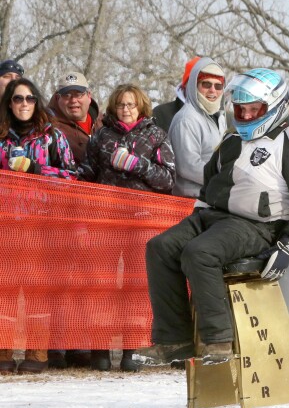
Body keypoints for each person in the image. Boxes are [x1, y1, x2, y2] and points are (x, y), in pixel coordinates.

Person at [136, 68, 289, 367]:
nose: (247, 115)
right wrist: (199, 214)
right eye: (241, 109)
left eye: (255, 109)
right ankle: (173, 340)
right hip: (213, 215)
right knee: (160, 247)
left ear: (274, 106)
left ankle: (218, 341)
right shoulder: (232, 139)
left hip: (259, 224)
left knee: (200, 253)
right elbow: (211, 180)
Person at [80, 84, 176, 371]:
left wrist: (138, 164)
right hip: (105, 218)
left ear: (140, 107)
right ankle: (100, 349)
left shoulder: (156, 135)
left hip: (141, 219)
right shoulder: (101, 135)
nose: (125, 109)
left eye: (131, 105)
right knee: (102, 282)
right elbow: (89, 173)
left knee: (136, 283)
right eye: (121, 104)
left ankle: (131, 349)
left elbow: (168, 179)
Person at [0, 78, 78, 373]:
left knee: (37, 288)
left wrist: (36, 169)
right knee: (5, 288)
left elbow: (72, 177)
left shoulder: (52, 136)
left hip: (42, 222)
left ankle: (37, 352)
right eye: (18, 98)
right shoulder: (1, 136)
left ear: (37, 102)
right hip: (6, 222)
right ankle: (3, 350)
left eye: (30, 98)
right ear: (9, 103)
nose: (24, 104)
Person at [168, 56, 226, 198]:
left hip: (213, 198)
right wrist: (224, 178)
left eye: (218, 86)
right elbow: (188, 166)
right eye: (206, 84)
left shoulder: (219, 117)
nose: (213, 90)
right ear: (195, 86)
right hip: (190, 201)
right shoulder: (186, 119)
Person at [48, 71, 101, 168]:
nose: (73, 100)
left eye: (78, 94)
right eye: (66, 95)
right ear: (57, 98)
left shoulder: (104, 122)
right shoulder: (48, 128)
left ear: (89, 96)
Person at [152, 56, 201, 133]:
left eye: (206, 84)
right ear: (185, 84)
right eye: (195, 82)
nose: (200, 87)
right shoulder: (160, 113)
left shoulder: (218, 117)